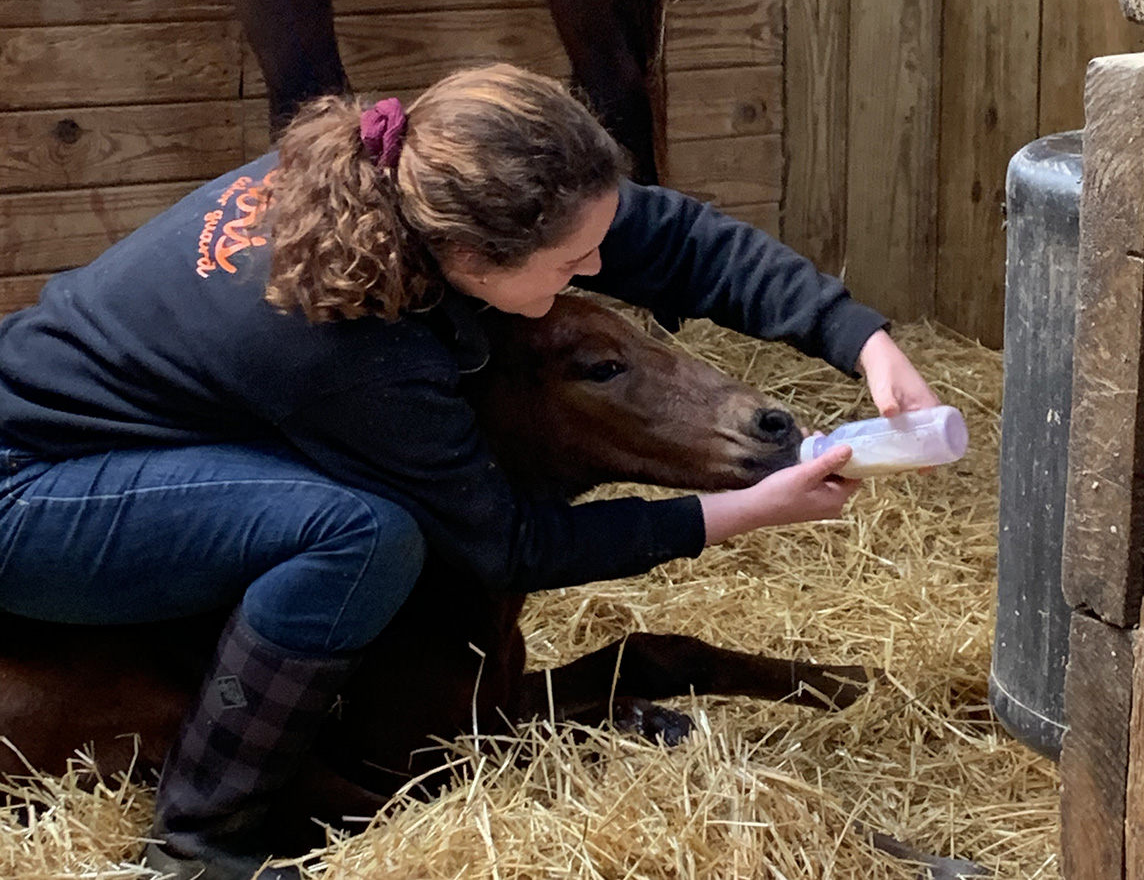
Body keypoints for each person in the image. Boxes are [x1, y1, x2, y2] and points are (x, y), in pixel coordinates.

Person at [0, 63, 938, 879]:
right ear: (471, 256)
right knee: (358, 534)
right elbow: (503, 542)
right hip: (27, 490)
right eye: (572, 262)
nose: (596, 266)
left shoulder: (413, 187)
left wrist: (862, 341)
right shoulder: (347, 343)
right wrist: (744, 511)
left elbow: (676, 242)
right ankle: (200, 839)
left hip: (112, 446)